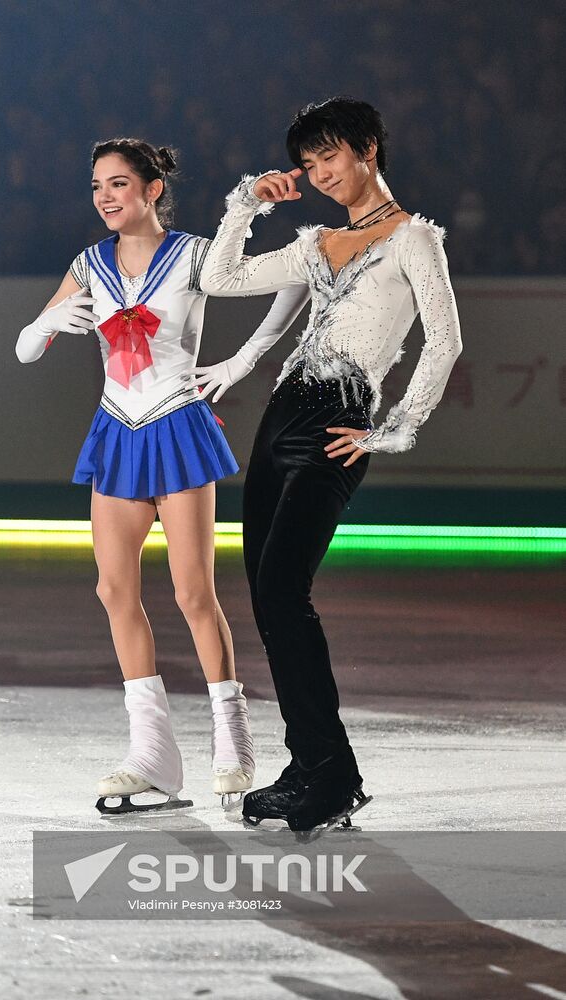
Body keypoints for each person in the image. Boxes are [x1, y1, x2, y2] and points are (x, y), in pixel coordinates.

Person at [192, 97, 462, 836]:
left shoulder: (415, 240)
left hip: (338, 422)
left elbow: (443, 341)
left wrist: (393, 432)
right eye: (308, 166)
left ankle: (333, 774)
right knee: (266, 598)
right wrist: (246, 201)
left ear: (367, 149)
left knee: (284, 592)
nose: (319, 175)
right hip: (280, 420)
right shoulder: (314, 243)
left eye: (328, 158)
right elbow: (219, 278)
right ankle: (307, 762)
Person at [15, 137, 307, 813]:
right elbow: (27, 349)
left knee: (192, 593)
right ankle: (152, 754)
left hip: (177, 425)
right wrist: (49, 320)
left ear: (152, 190)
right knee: (113, 589)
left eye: (118, 184)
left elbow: (293, 277)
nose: (105, 197)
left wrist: (242, 359)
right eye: (96, 187)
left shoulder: (197, 255)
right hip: (117, 430)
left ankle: (232, 739)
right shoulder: (88, 264)